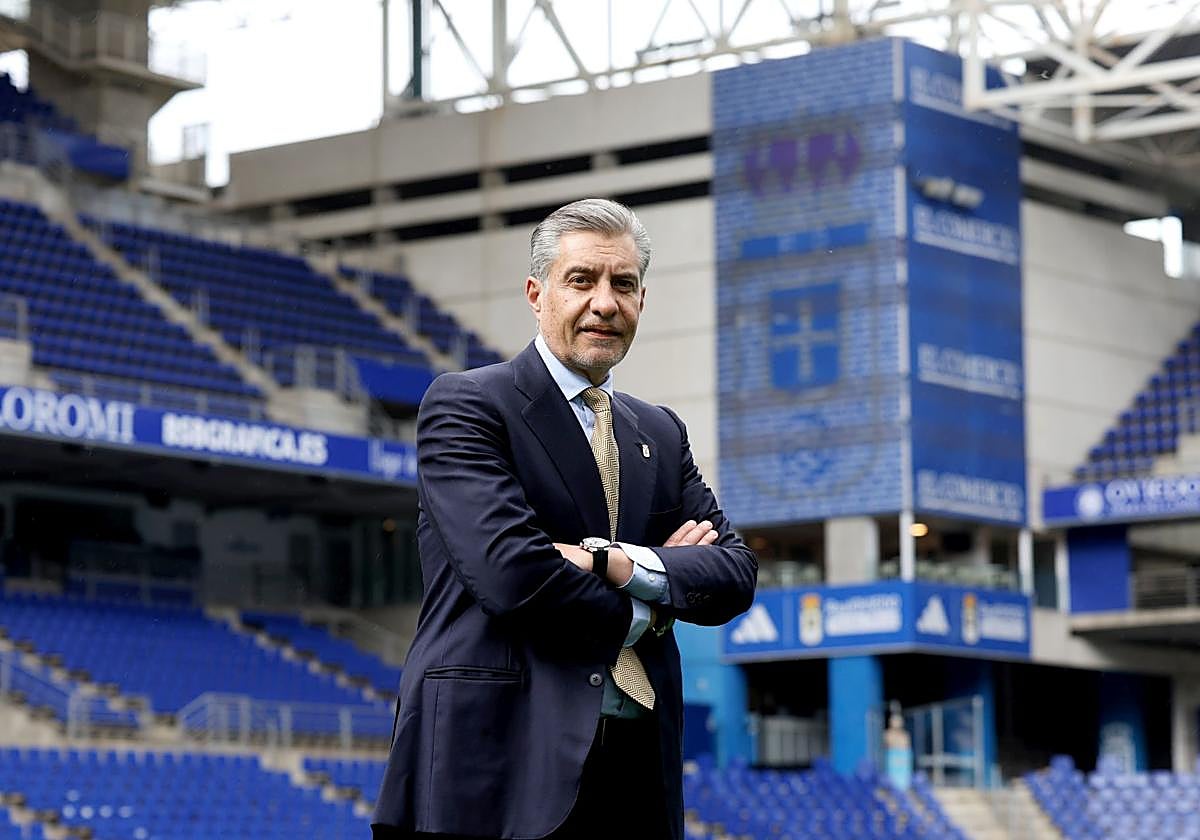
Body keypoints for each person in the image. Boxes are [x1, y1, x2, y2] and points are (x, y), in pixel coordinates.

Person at [372, 198, 758, 840]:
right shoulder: (468, 405)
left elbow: (734, 572)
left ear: (642, 299)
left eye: (623, 284)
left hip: (635, 774)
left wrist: (613, 560)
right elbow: (512, 574)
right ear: (537, 292)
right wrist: (658, 601)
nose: (605, 303)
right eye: (582, 280)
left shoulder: (659, 432)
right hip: (496, 768)